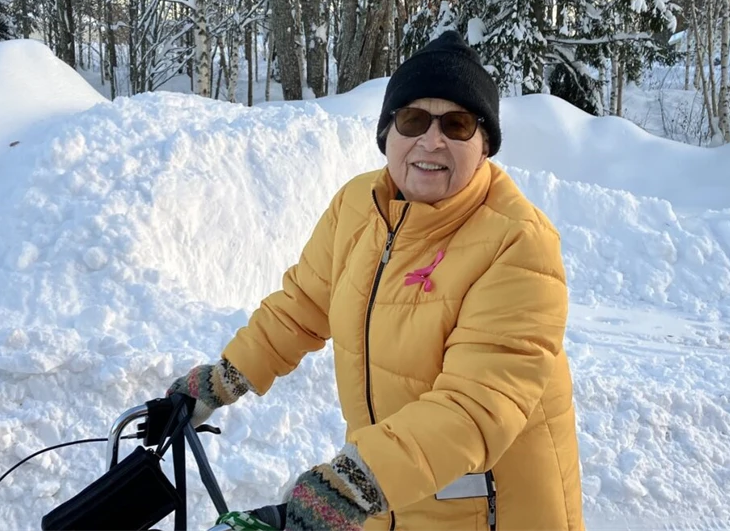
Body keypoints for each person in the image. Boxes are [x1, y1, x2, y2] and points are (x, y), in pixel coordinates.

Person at [168, 31, 584, 531]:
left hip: (492, 514)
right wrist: (219, 382)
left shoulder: (518, 243)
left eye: (457, 124)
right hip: (389, 501)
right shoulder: (358, 206)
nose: (432, 141)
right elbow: (302, 305)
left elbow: (477, 405)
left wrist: (354, 483)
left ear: (485, 145)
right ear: (387, 133)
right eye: (413, 120)